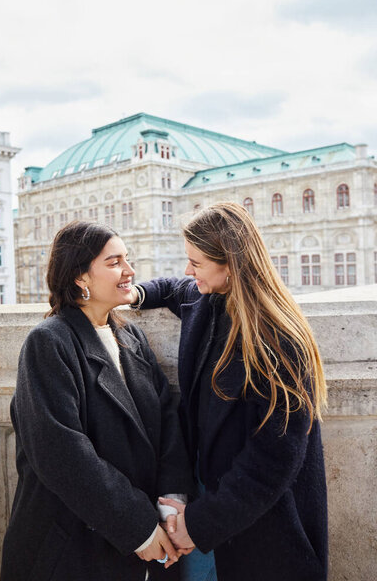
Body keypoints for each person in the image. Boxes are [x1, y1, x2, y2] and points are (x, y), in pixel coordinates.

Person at [131, 202, 328, 581]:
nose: (188, 270)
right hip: (212, 502)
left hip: (261, 522)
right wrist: (135, 293)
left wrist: (201, 524)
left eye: (197, 263)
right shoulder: (208, 299)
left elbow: (273, 461)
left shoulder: (280, 340)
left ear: (231, 265)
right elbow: (173, 287)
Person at [0, 221, 193, 581]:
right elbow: (61, 453)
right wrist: (138, 527)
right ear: (80, 277)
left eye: (128, 259)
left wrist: (172, 502)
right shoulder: (48, 343)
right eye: (114, 261)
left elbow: (168, 423)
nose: (130, 271)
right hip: (73, 551)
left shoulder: (130, 336)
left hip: (145, 545)